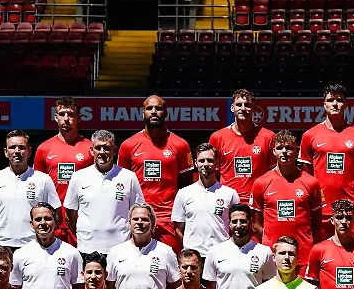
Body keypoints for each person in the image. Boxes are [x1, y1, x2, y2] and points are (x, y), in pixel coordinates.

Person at [117, 95, 195, 253]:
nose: (154, 112)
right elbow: (122, 186)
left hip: (169, 219)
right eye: (149, 108)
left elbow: (187, 187)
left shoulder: (180, 145)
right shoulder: (128, 145)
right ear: (143, 112)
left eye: (158, 108)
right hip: (138, 218)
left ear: (166, 113)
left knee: (169, 269)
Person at [298, 84, 354, 236]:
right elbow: (306, 178)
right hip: (321, 207)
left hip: (350, 206)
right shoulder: (309, 135)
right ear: (324, 103)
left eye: (339, 100)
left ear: (345, 104)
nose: (335, 104)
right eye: (330, 100)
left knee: (351, 254)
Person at [64, 130, 145, 257]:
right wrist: (83, 234)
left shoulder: (129, 177)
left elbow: (138, 211)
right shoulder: (78, 177)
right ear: (91, 150)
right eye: (98, 148)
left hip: (121, 248)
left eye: (106, 148)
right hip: (87, 248)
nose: (102, 152)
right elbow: (70, 214)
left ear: (114, 150)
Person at [0, 130, 60, 249]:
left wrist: (43, 237)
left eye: (21, 147)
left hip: (34, 246)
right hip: (2, 246)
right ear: (6, 152)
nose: (17, 151)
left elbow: (57, 215)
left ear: (29, 151)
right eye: (12, 147)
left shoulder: (43, 180)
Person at [251, 130, 324, 267]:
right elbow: (256, 225)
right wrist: (271, 244)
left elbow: (317, 225)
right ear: (273, 151)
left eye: (289, 148)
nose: (284, 152)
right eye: (280, 148)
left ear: (297, 151)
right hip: (272, 258)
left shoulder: (311, 183)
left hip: (303, 257)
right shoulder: (261, 183)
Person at [34, 96, 93, 245]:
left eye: (71, 114)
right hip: (53, 223)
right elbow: (38, 188)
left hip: (83, 221)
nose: (66, 119)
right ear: (56, 117)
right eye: (62, 114)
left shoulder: (90, 148)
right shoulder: (44, 149)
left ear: (78, 118)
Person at [171, 143, 240, 255]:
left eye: (210, 160)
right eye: (202, 161)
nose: (206, 164)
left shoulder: (230, 194)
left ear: (216, 163)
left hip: (222, 254)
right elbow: (178, 229)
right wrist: (188, 249)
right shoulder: (183, 193)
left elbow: (237, 226)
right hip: (194, 258)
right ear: (195, 163)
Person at [209, 88, 276, 203]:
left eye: (247, 105)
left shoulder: (268, 136)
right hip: (227, 202)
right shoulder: (217, 137)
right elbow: (212, 174)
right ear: (232, 108)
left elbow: (274, 174)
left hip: (258, 202)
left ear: (254, 109)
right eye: (239, 105)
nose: (243, 108)